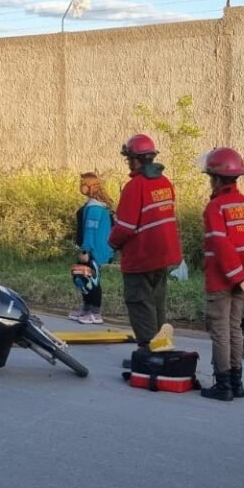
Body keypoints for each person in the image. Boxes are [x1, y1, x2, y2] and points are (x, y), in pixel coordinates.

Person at [197, 147, 244, 402]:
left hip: (222, 279)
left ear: (215, 178)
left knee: (221, 331)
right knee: (235, 329)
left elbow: (221, 244)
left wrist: (237, 276)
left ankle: (223, 385)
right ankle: (237, 383)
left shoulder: (216, 207)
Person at [107, 134, 182, 353]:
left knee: (139, 302)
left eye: (129, 158)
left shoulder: (134, 186)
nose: (128, 162)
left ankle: (149, 351)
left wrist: (111, 243)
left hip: (142, 256)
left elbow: (126, 227)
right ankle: (161, 345)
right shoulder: (164, 182)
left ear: (135, 159)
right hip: (164, 254)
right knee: (157, 301)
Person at [69, 172, 114, 324]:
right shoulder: (93, 204)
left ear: (89, 187)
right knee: (83, 277)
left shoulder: (94, 208)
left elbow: (90, 230)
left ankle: (95, 312)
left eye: (82, 183)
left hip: (95, 249)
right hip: (92, 248)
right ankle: (87, 308)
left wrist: (85, 250)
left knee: (93, 281)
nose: (79, 186)